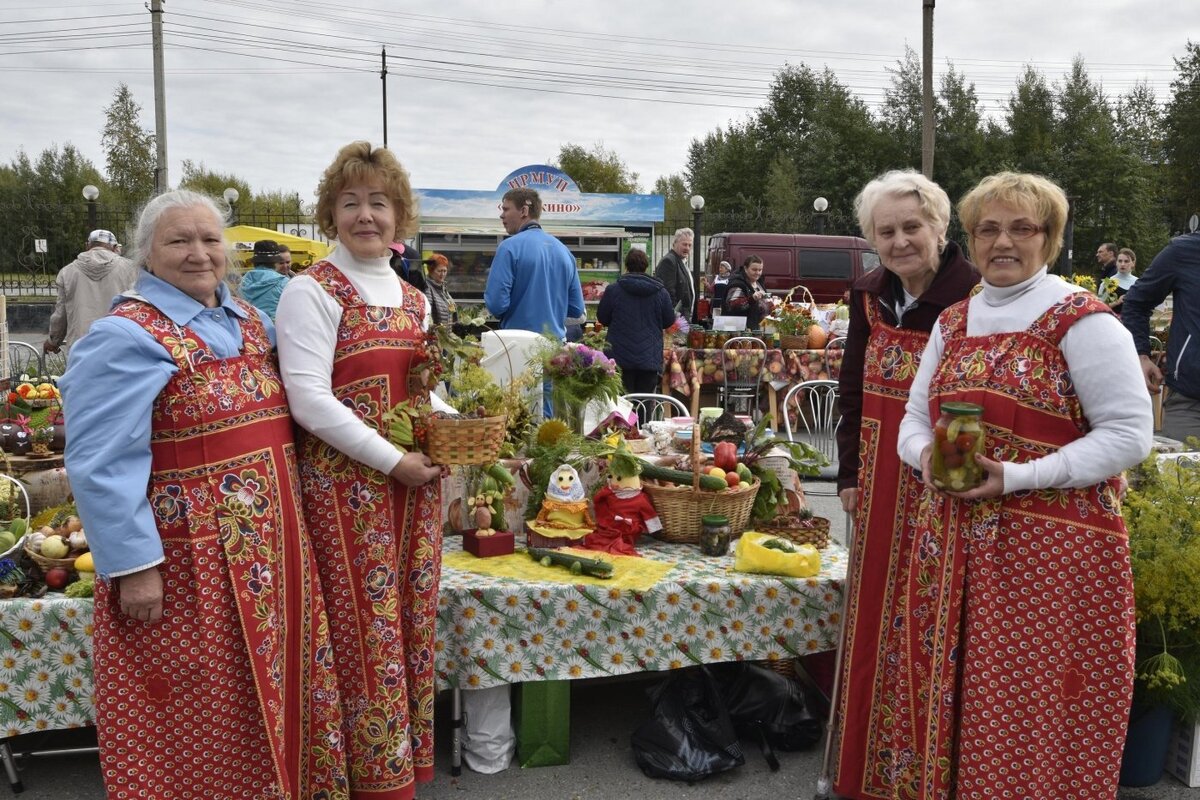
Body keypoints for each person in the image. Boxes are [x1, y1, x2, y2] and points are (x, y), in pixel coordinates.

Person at [58, 190, 348, 798]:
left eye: (210, 240)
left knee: (274, 693)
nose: (198, 254)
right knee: (202, 716)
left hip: (275, 557)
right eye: (178, 241)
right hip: (192, 566)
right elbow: (98, 461)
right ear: (146, 255)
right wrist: (135, 566)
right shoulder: (124, 336)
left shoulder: (247, 322)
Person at [894, 172, 1152, 798]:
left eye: (1021, 228)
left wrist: (1017, 476)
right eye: (987, 229)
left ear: (1050, 239)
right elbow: (912, 418)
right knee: (952, 701)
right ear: (971, 239)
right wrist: (925, 455)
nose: (1001, 242)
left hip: (1052, 559)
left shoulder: (1083, 320)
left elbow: (1129, 435)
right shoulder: (953, 322)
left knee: (1029, 709)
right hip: (952, 546)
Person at [275, 141, 447, 798]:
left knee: (406, 619)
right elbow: (309, 400)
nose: (366, 215)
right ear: (331, 214)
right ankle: (363, 776)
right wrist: (392, 461)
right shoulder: (311, 290)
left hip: (413, 490)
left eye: (379, 202)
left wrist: (473, 432)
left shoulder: (413, 296)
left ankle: (400, 764)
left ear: (399, 214)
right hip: (349, 496)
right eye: (351, 202)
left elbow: (422, 391)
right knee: (360, 629)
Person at [830, 169, 978, 800]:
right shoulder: (868, 294)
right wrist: (848, 477)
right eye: (885, 231)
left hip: (945, 474)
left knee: (933, 618)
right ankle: (867, 767)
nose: (899, 242)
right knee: (871, 614)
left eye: (912, 227)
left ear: (941, 228)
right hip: (878, 475)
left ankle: (927, 772)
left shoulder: (974, 294)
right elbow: (853, 390)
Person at [1122, 229, 1200, 444]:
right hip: (1191, 404)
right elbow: (1136, 303)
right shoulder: (1184, 251)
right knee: (1184, 478)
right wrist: (1141, 354)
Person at [485, 187, 584, 340]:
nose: (501, 215)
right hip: (554, 349)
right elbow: (576, 309)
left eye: (506, 209)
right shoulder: (564, 251)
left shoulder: (508, 248)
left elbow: (496, 305)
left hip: (517, 345)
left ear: (524, 210)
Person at [44, 229, 137, 354]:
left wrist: (53, 341)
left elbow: (61, 314)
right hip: (120, 345)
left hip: (81, 347)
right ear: (115, 247)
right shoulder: (131, 269)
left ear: (87, 246)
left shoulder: (67, 272)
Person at [597, 247, 675, 393]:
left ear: (626, 266)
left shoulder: (614, 290)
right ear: (646, 267)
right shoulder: (660, 292)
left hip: (619, 359)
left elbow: (602, 318)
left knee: (622, 406)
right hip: (649, 359)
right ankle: (644, 417)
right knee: (644, 404)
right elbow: (669, 320)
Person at [237, 238, 290, 320]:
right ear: (275, 262)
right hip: (274, 329)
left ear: (255, 261)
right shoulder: (284, 282)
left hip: (252, 329)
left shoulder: (243, 282)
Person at [654, 227, 695, 319]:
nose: (687, 248)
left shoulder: (681, 261)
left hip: (683, 318)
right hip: (676, 320)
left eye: (690, 245)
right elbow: (668, 293)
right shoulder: (669, 261)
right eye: (684, 244)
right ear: (675, 243)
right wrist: (676, 317)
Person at [723, 254, 772, 329]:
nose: (758, 273)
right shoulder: (737, 284)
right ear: (745, 268)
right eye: (754, 270)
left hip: (759, 329)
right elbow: (733, 305)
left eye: (760, 270)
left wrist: (772, 303)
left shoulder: (759, 283)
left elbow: (762, 304)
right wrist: (752, 298)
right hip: (741, 331)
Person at [423, 252, 457, 326]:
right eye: (439, 271)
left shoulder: (442, 287)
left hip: (445, 333)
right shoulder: (427, 287)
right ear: (431, 271)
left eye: (444, 271)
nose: (442, 274)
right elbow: (427, 314)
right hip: (436, 335)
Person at [1106, 246, 1138, 313]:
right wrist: (1117, 302)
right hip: (1114, 321)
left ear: (1133, 263)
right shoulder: (1108, 282)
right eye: (1120, 261)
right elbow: (1101, 306)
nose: (1122, 264)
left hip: (1132, 321)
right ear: (1116, 263)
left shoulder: (1138, 282)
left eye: (1126, 261)